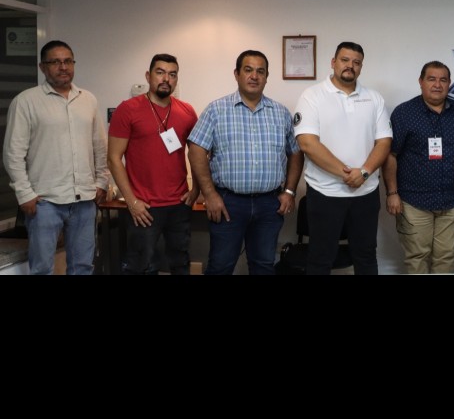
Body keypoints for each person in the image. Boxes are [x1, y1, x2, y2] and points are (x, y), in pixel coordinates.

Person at [187, 50, 303, 275]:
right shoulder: (216, 110)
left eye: (260, 71)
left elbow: (296, 153)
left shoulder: (280, 113)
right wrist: (209, 194)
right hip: (227, 203)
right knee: (220, 267)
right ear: (236, 74)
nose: (254, 76)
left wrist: (289, 191)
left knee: (263, 266)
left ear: (267, 77)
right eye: (248, 70)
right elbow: (196, 150)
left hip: (269, 205)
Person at [3, 40, 109, 275]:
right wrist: (24, 193)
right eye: (56, 62)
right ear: (42, 67)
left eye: (68, 61)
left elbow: (100, 146)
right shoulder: (26, 102)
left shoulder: (88, 100)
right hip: (44, 203)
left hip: (84, 201)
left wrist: (102, 181)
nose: (63, 67)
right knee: (42, 269)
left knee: (82, 267)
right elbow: (13, 154)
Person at [293, 42, 392, 275]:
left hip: (365, 193)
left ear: (361, 67)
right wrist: (347, 173)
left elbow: (384, 142)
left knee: (366, 257)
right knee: (320, 259)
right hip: (324, 193)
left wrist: (364, 173)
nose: (350, 66)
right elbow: (307, 143)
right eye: (345, 60)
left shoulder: (374, 98)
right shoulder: (312, 96)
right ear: (333, 62)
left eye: (356, 62)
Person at [107, 53, 200, 275]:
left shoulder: (187, 111)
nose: (166, 79)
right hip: (144, 207)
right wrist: (132, 202)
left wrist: (196, 189)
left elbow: (197, 154)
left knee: (180, 263)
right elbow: (113, 158)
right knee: (141, 266)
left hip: (179, 204)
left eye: (172, 74)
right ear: (148, 76)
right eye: (160, 72)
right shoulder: (128, 109)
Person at [382, 61, 454, 274]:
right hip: (414, 201)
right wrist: (392, 193)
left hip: (451, 200)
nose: (437, 85)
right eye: (431, 79)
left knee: (446, 257)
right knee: (417, 257)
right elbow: (390, 155)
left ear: (449, 83)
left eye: (443, 80)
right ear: (421, 82)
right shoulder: (404, 113)